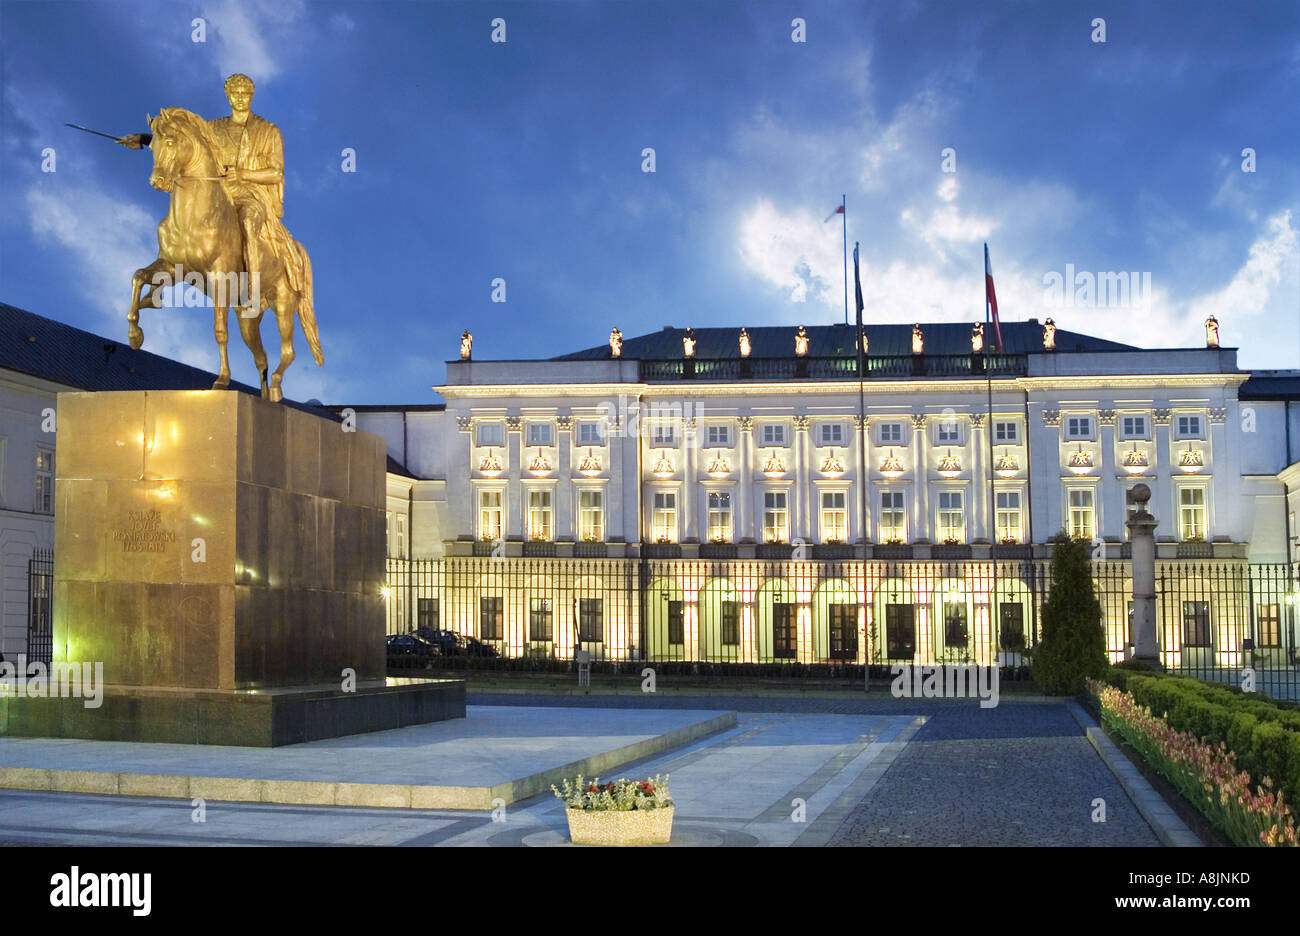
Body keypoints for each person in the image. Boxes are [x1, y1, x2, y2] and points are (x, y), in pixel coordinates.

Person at [118, 73, 300, 309]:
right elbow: (179, 142)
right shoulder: (213, 128)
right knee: (178, 221)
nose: (241, 98)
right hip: (218, 192)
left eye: (245, 94)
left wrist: (243, 174)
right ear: (228, 96)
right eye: (235, 94)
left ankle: (253, 291)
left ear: (252, 96)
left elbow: (276, 173)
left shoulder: (268, 131)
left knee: (247, 221)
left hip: (249, 194)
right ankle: (162, 280)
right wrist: (145, 139)